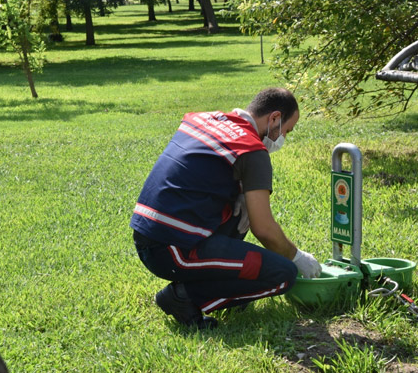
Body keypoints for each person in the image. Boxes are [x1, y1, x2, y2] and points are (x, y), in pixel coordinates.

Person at [130, 87, 322, 329]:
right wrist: (297, 257)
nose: (283, 136)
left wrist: (239, 191)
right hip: (172, 250)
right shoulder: (252, 150)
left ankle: (226, 287)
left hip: (149, 234)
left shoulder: (204, 118)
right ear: (274, 118)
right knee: (283, 274)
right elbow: (263, 228)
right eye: (286, 130)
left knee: (240, 210)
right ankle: (184, 297)